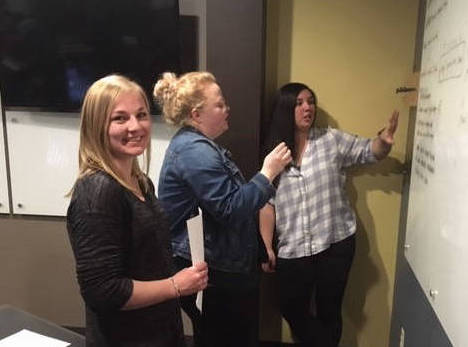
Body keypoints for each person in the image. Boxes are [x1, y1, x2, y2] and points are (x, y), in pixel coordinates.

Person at [66, 74, 208, 347]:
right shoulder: (97, 193)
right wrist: (175, 285)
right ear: (97, 125)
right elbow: (103, 291)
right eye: (120, 118)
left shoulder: (141, 182)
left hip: (161, 331)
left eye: (141, 115)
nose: (136, 126)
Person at [153, 71, 292, 347]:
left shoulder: (199, 147)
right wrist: (267, 173)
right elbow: (231, 208)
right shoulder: (195, 152)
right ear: (196, 114)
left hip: (218, 268)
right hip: (215, 274)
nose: (227, 109)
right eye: (219, 104)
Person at [259, 82, 399, 347]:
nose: (307, 107)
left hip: (335, 243)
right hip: (293, 248)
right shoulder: (274, 154)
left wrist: (384, 141)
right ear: (286, 108)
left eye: (310, 101)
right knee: (290, 307)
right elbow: (267, 203)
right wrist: (267, 246)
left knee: (330, 310)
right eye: (299, 103)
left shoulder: (331, 140)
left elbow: (369, 151)